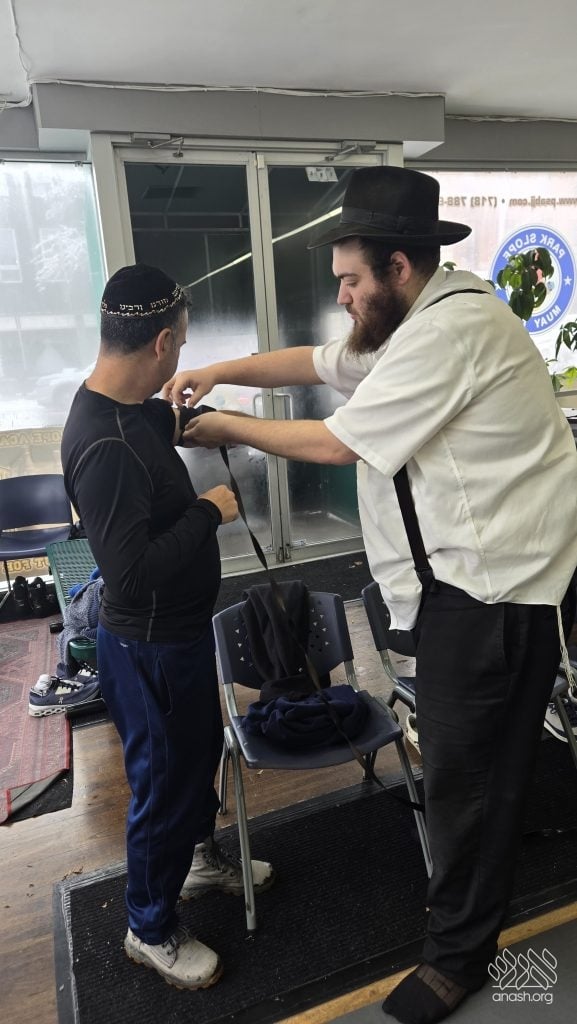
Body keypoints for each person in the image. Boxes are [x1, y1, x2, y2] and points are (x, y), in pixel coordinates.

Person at [162, 166, 577, 1024]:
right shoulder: (410, 319)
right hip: (454, 593)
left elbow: (334, 444)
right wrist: (219, 368)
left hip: (492, 601)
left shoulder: (450, 333)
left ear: (398, 266)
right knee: (464, 774)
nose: (341, 297)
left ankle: (456, 959)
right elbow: (314, 363)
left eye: (350, 280)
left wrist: (220, 425)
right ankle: (465, 910)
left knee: (467, 786)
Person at [61, 264, 274, 991]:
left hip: (179, 636)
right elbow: (130, 575)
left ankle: (197, 862)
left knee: (197, 758)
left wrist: (194, 408)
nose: (181, 355)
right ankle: (148, 928)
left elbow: (156, 427)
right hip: (146, 647)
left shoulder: (126, 412)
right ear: (160, 342)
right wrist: (209, 510)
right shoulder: (104, 445)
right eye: (180, 345)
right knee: (162, 788)